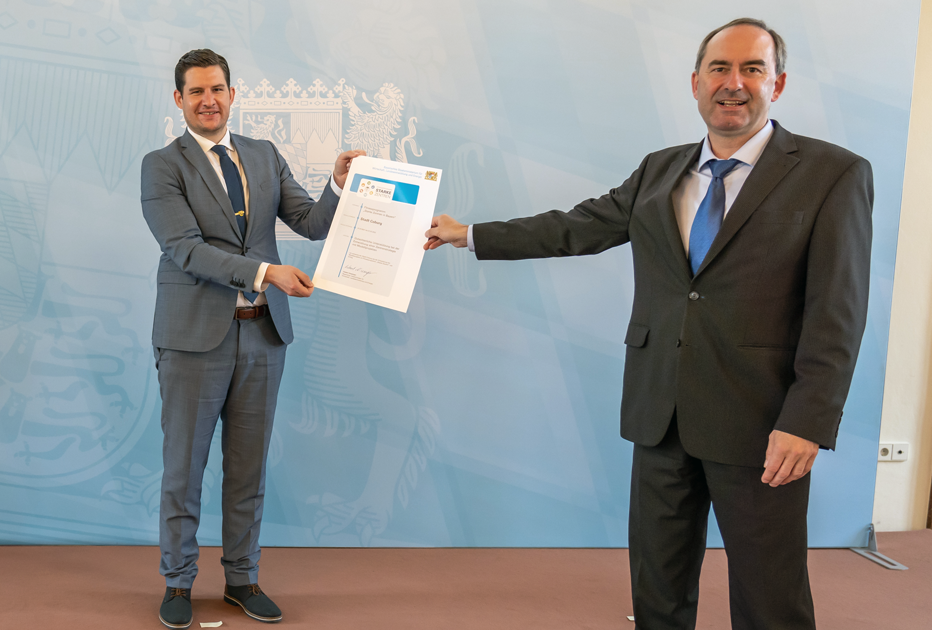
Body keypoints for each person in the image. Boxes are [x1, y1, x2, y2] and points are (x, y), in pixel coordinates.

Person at [424, 18, 870, 630]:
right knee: (657, 590)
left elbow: (837, 312)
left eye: (752, 69)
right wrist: (469, 234)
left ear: (779, 83)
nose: (734, 83)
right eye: (719, 68)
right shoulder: (660, 170)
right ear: (695, 82)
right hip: (661, 414)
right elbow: (575, 228)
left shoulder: (832, 173)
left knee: (771, 597)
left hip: (762, 423)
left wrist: (808, 421)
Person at [140, 49, 363, 628]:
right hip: (193, 339)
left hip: (262, 336)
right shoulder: (161, 166)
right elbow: (185, 250)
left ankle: (241, 579)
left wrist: (337, 186)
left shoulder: (263, 155)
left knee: (248, 469)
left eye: (217, 89)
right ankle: (178, 583)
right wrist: (267, 273)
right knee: (184, 469)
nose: (208, 100)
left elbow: (310, 222)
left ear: (232, 94)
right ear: (179, 100)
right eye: (196, 92)